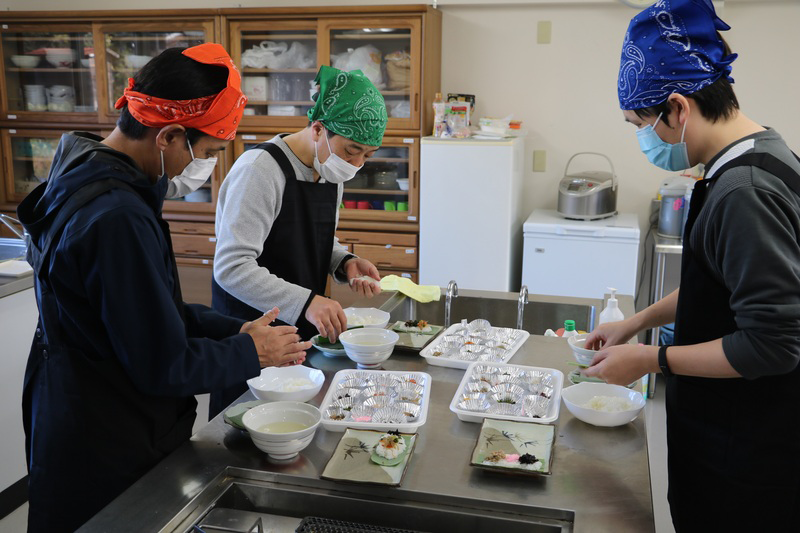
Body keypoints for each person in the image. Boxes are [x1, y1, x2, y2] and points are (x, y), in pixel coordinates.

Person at [16, 44, 311, 533]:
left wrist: (234, 327)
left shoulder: (85, 167)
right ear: (170, 135)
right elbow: (162, 362)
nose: (206, 167)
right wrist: (247, 352)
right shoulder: (118, 218)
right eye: (210, 152)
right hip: (104, 429)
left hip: (72, 398)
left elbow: (151, 311)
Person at [584, 1, 800, 530]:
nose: (645, 140)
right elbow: (722, 283)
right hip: (728, 433)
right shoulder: (752, 156)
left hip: (745, 458)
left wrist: (652, 360)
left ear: (679, 109)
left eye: (642, 124)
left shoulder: (743, 192)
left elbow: (773, 343)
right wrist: (636, 323)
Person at [210, 65, 388, 417]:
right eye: (352, 150)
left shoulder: (329, 169)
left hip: (298, 333)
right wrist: (307, 301)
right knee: (244, 430)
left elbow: (311, 235)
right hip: (251, 333)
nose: (356, 164)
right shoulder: (260, 170)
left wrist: (343, 261)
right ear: (318, 129)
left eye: (368, 155)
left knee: (295, 426)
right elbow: (231, 268)